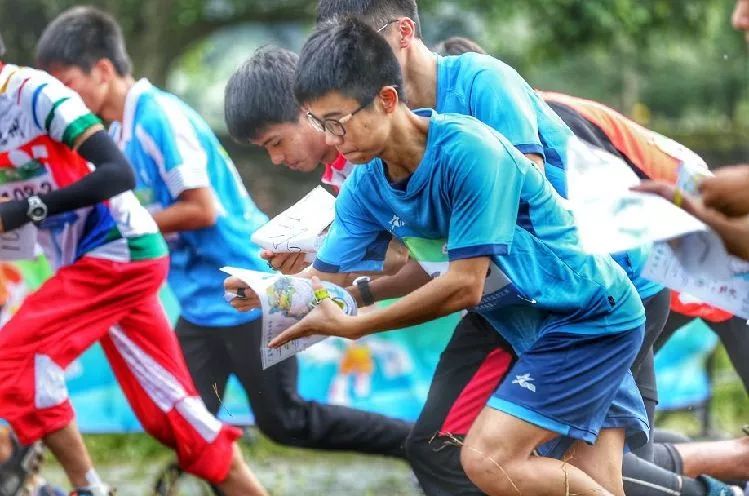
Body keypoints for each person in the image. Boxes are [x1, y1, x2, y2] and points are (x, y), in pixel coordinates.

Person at [235, 17, 650, 495]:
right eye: (319, 124)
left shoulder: (471, 151)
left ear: (386, 100)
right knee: (591, 482)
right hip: (530, 324)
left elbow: (463, 284)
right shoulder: (365, 187)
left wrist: (356, 325)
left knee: (487, 459)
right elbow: (326, 275)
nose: (331, 141)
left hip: (588, 317)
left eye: (337, 123)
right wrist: (265, 292)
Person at [35, 6, 411, 472]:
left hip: (248, 286)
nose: (61, 100)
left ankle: (415, 443)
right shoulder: (112, 134)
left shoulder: (159, 118)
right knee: (192, 425)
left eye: (66, 84)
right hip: (199, 302)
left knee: (285, 421)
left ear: (104, 70)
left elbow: (201, 209)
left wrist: (127, 227)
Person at [0, 29, 266, 496]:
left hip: (120, 250)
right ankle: (84, 487)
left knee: (11, 356)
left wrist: (27, 210)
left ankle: (44, 479)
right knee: (167, 411)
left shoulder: (34, 91)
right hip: (82, 263)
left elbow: (117, 172)